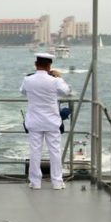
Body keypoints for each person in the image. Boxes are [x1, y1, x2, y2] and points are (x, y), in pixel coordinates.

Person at [19, 52, 72, 190]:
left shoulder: (28, 80)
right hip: (52, 121)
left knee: (35, 152)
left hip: (34, 121)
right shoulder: (55, 81)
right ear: (49, 66)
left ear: (36, 64)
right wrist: (59, 77)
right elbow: (66, 91)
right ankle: (57, 182)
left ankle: (35, 182)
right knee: (55, 152)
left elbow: (23, 92)